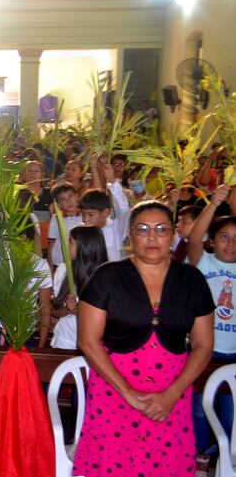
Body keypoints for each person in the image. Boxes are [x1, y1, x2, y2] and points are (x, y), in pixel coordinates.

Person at [73, 200, 215, 477]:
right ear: (130, 235)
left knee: (165, 465)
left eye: (161, 229)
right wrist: (127, 392)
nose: (152, 237)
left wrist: (172, 394)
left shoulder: (192, 280)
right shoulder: (107, 277)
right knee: (112, 465)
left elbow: (203, 345)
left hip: (171, 393)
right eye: (143, 229)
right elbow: (88, 341)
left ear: (173, 235)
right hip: (114, 391)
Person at [186, 184, 236, 466]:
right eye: (224, 237)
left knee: (230, 414)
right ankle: (202, 455)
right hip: (205, 351)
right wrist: (214, 204)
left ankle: (226, 460)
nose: (230, 244)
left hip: (234, 355)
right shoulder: (203, 263)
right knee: (200, 409)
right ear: (213, 242)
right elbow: (193, 240)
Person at [50, 225, 108, 350]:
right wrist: (69, 309)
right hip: (64, 342)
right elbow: (54, 311)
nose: (66, 246)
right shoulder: (63, 270)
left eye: (70, 242)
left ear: (84, 247)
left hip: (95, 347)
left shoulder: (106, 274)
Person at [78, 165, 130, 262]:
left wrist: (112, 180)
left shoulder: (116, 228)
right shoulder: (81, 231)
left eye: (90, 214)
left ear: (105, 212)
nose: (85, 219)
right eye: (83, 214)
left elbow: (123, 208)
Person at [47, 182, 83, 269]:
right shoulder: (56, 219)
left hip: (79, 263)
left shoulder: (84, 216)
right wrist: (51, 269)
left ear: (77, 196)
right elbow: (51, 246)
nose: (69, 201)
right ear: (58, 204)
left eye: (71, 197)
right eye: (63, 199)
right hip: (59, 264)